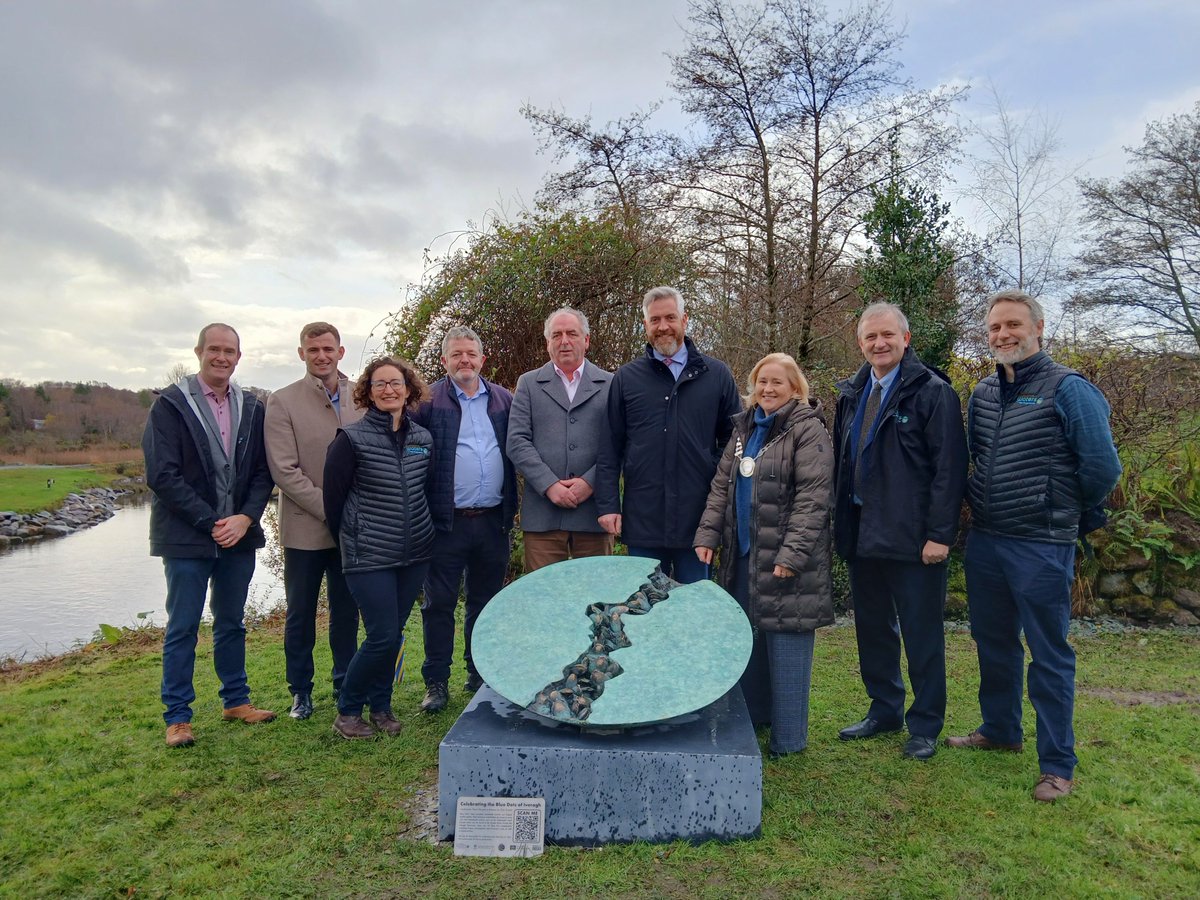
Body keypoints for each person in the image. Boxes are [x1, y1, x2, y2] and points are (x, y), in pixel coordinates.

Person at [947, 289, 1121, 802]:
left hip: (1041, 544)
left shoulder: (1068, 388)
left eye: (1014, 325)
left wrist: (1065, 513)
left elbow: (1103, 467)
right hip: (988, 540)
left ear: (1038, 329)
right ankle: (1000, 729)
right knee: (994, 642)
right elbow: (976, 459)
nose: (1004, 334)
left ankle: (1057, 765)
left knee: (1049, 654)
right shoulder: (981, 392)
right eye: (996, 327)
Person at [831, 302, 968, 761]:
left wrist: (940, 534)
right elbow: (842, 464)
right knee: (873, 630)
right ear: (860, 343)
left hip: (914, 539)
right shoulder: (851, 394)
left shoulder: (932, 393)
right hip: (863, 533)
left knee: (921, 633)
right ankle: (884, 708)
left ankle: (925, 723)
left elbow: (950, 470)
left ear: (905, 339)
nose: (879, 344)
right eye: (870, 337)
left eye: (887, 335)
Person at [693, 353, 834, 756]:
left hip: (786, 558)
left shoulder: (808, 431)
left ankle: (789, 740)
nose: (768, 389)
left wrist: (791, 555)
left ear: (795, 388)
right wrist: (707, 535)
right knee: (747, 641)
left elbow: (813, 499)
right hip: (743, 554)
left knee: (787, 642)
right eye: (762, 382)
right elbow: (721, 487)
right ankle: (754, 719)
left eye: (778, 382)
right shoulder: (744, 430)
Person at [142, 323, 276, 749]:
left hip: (238, 535)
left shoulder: (253, 407)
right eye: (214, 349)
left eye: (230, 351)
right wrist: (210, 521)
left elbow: (261, 472)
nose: (222, 357)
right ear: (199, 351)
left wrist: (245, 518)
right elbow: (162, 475)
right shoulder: (170, 405)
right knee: (183, 626)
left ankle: (236, 700)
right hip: (187, 537)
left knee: (232, 622)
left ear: (239, 357)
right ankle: (178, 717)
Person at [596, 286, 742, 583]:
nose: (663, 327)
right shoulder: (627, 378)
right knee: (643, 612)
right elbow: (610, 446)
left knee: (693, 609)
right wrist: (609, 504)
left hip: (698, 519)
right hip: (644, 519)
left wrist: (708, 468)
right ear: (645, 326)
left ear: (685, 320)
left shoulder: (716, 375)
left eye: (670, 318)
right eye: (655, 320)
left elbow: (734, 440)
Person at [321, 357, 434, 739]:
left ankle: (381, 707)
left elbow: (427, 492)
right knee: (382, 635)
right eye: (380, 384)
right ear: (368, 393)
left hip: (414, 553)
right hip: (368, 556)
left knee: (393, 634)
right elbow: (333, 503)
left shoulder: (422, 439)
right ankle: (348, 711)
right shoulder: (350, 439)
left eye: (396, 383)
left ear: (409, 389)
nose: (389, 390)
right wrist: (352, 541)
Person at [411, 326, 517, 712]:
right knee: (438, 604)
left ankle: (479, 673)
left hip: (492, 521)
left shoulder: (504, 399)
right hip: (445, 523)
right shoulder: (426, 402)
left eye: (471, 354)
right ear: (444, 361)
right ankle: (436, 682)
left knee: (484, 602)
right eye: (456, 355)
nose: (465, 361)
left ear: (482, 359)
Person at [265, 322, 363, 721]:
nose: (320, 356)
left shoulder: (364, 393)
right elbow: (284, 470)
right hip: (306, 527)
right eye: (312, 349)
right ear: (301, 353)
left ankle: (345, 683)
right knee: (301, 613)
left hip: (355, 529)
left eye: (328, 348)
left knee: (346, 611)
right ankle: (300, 691)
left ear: (340, 351)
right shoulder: (282, 401)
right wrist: (331, 508)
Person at [506, 308, 614, 571]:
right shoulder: (529, 384)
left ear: (586, 340)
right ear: (548, 343)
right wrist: (550, 485)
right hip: (543, 515)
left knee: (597, 599)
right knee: (543, 601)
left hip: (594, 516)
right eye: (557, 335)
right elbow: (517, 441)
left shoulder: (611, 384)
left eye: (572, 334)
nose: (564, 340)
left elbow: (620, 443)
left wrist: (590, 482)